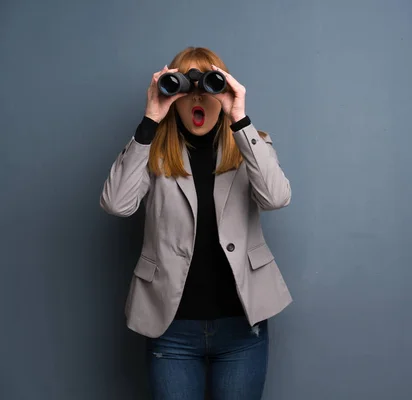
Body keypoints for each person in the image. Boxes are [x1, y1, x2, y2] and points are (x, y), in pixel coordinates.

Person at [100, 47, 293, 400]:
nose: (197, 98)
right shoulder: (154, 150)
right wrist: (150, 121)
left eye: (209, 86)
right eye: (186, 89)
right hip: (170, 327)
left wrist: (240, 118)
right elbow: (116, 204)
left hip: (242, 326)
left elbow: (276, 198)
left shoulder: (253, 145)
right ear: (174, 96)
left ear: (225, 92)